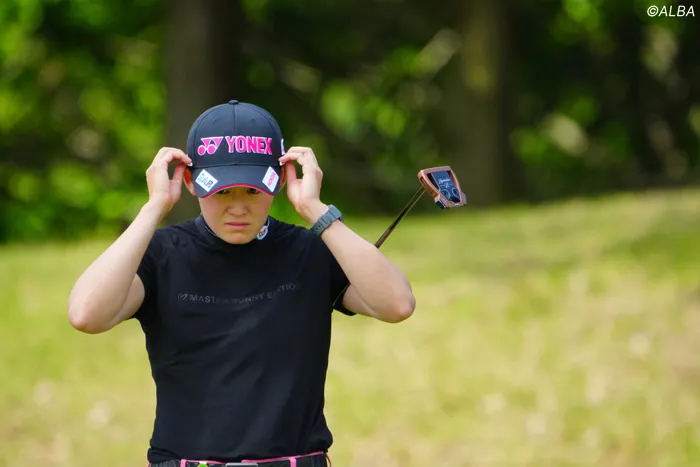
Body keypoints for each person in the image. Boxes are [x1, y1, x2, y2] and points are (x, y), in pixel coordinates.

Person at [67, 99, 416, 467]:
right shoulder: (162, 254)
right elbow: (87, 314)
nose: (238, 207)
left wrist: (314, 209)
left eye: (252, 191)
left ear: (279, 181)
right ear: (190, 182)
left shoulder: (309, 250)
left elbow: (397, 304)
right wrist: (154, 207)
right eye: (221, 192)